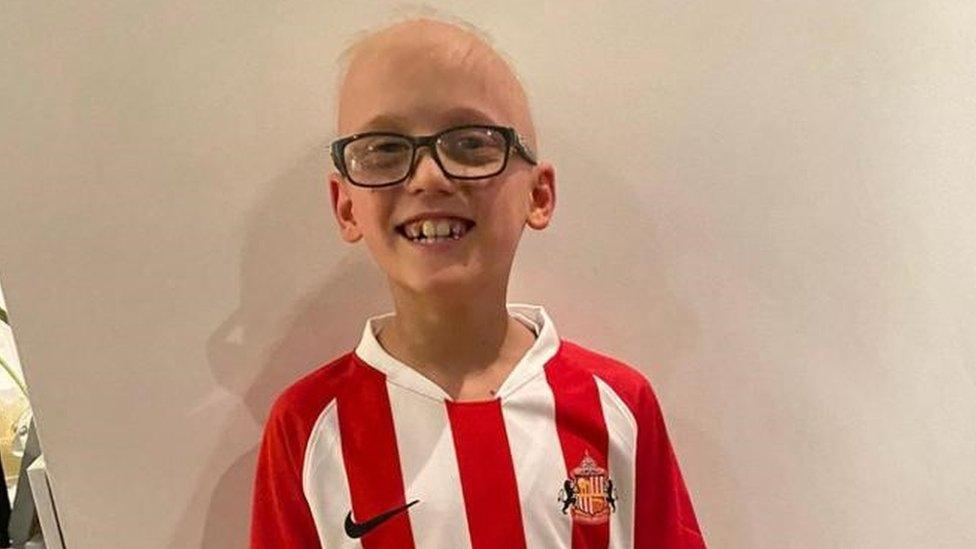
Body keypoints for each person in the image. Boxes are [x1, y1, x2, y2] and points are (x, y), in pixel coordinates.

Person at [250, 12, 706, 548]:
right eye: (384, 149)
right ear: (345, 205)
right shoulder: (307, 428)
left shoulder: (618, 406)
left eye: (471, 143)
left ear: (538, 194)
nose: (429, 176)